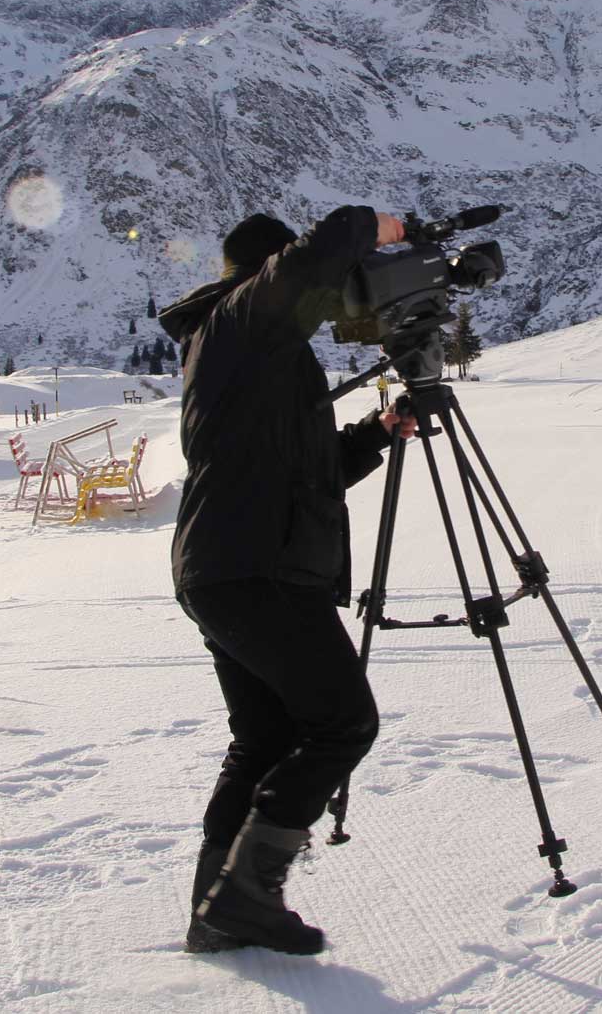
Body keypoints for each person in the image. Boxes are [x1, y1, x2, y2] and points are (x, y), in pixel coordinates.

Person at [158, 206, 418, 956]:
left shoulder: (249, 353)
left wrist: (375, 433)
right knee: (343, 723)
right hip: (255, 565)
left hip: (228, 564)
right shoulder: (243, 318)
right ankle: (244, 895)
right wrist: (382, 225)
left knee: (267, 735)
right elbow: (314, 254)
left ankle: (217, 908)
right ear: (262, 271)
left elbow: (307, 471)